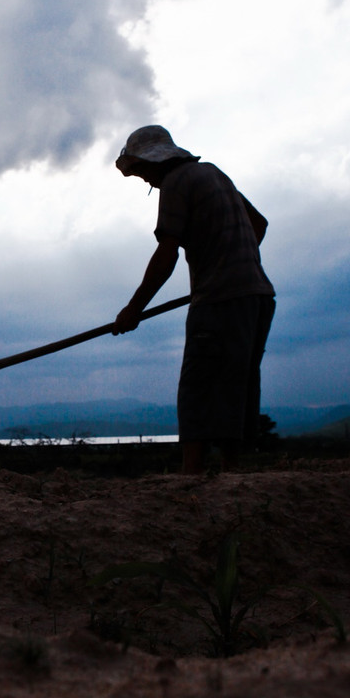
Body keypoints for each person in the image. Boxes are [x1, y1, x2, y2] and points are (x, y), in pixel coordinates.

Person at [112, 125, 275, 475]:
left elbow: (167, 253)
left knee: (197, 388)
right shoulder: (213, 174)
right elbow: (258, 225)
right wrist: (228, 262)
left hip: (220, 300)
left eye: (140, 170)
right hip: (258, 296)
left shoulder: (175, 182)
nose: (143, 179)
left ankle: (192, 476)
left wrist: (133, 309)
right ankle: (231, 472)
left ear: (154, 161)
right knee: (235, 385)